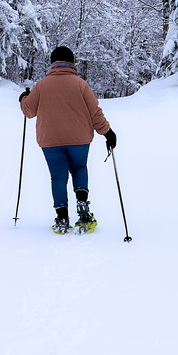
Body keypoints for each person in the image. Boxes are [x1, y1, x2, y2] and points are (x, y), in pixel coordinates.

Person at [19, 45, 118, 234]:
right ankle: (82, 206)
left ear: (52, 64)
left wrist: (24, 98)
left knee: (58, 176)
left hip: (50, 140)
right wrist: (107, 133)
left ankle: (62, 217)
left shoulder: (42, 85)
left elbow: (29, 111)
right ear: (71, 62)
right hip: (79, 138)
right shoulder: (80, 84)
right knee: (79, 168)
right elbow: (95, 112)